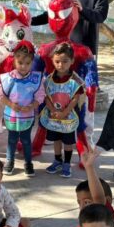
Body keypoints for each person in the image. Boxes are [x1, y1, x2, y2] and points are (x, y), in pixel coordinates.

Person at [0, 40, 45, 177]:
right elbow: (1, 94)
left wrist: (33, 105)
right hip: (12, 115)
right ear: (14, 61)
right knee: (11, 140)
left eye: (27, 63)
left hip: (27, 116)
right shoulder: (9, 78)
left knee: (26, 140)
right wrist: (11, 104)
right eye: (20, 63)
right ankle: (9, 160)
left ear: (32, 62)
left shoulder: (36, 79)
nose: (24, 66)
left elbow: (40, 95)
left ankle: (28, 162)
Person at [41, 43, 85, 178]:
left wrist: (64, 113)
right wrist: (53, 110)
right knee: (56, 140)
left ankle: (67, 163)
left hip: (69, 117)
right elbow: (46, 97)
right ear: (53, 61)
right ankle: (57, 160)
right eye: (57, 61)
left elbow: (75, 99)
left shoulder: (75, 80)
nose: (61, 65)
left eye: (65, 61)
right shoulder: (48, 80)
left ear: (72, 61)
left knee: (68, 141)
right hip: (53, 115)